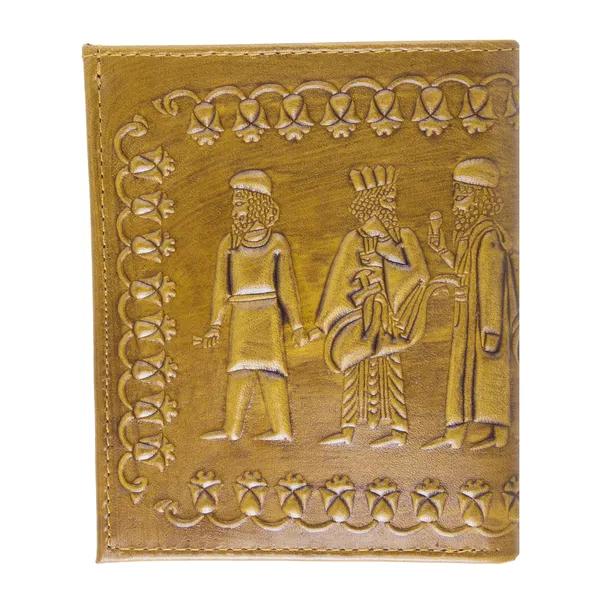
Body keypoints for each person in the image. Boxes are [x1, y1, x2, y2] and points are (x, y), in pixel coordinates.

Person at [311, 166, 429, 448]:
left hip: (389, 316)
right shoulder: (354, 239)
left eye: (393, 199)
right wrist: (323, 324)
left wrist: (386, 256)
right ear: (372, 202)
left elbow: (420, 274)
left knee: (391, 367)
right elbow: (337, 280)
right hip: (359, 316)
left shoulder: (404, 237)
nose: (392, 204)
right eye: (387, 199)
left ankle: (399, 430)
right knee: (354, 368)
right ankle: (348, 429)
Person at [193, 169, 308, 442]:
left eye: (240, 203)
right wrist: (215, 324)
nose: (235, 211)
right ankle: (232, 429)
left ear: (257, 204)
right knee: (239, 369)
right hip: (241, 315)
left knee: (272, 369)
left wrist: (297, 326)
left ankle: (281, 429)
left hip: (268, 314)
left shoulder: (277, 243)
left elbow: (287, 287)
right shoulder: (229, 244)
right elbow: (221, 288)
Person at [423, 158, 519, 450]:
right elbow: (464, 271)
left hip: (483, 323)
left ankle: (499, 435)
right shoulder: (472, 235)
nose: (455, 201)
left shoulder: (488, 237)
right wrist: (442, 250)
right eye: (456, 193)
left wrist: (490, 329)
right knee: (464, 376)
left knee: (488, 376)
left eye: (461, 194)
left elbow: (492, 284)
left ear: (479, 198)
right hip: (467, 318)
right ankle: (456, 433)